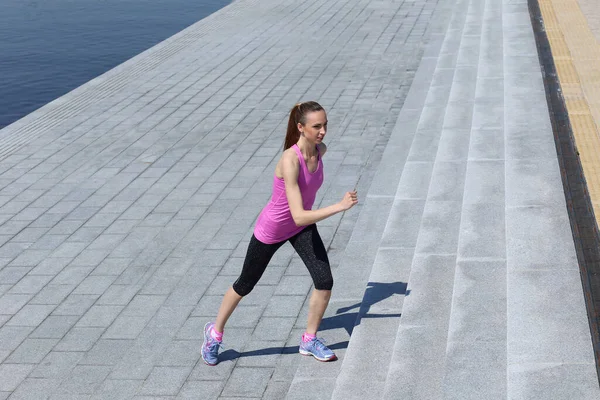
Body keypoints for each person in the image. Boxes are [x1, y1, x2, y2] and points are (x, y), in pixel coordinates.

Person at [201, 101, 358, 366]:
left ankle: (309, 339)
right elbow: (297, 214)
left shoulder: (320, 151)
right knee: (245, 284)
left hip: (301, 227)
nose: (323, 131)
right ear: (301, 127)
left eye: (325, 125)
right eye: (316, 126)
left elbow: (300, 218)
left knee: (324, 280)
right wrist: (339, 207)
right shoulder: (289, 160)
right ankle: (214, 334)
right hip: (273, 229)